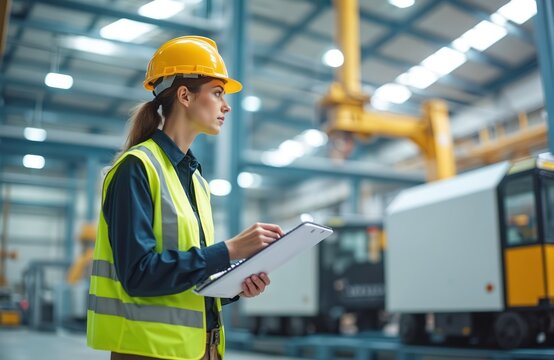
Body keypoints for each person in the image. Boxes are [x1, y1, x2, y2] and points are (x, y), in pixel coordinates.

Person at [87, 36, 284, 360]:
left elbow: (186, 276)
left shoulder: (195, 179)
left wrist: (234, 286)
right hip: (148, 351)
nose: (226, 105)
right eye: (217, 92)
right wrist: (230, 249)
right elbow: (139, 275)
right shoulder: (136, 168)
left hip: (201, 350)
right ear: (185, 95)